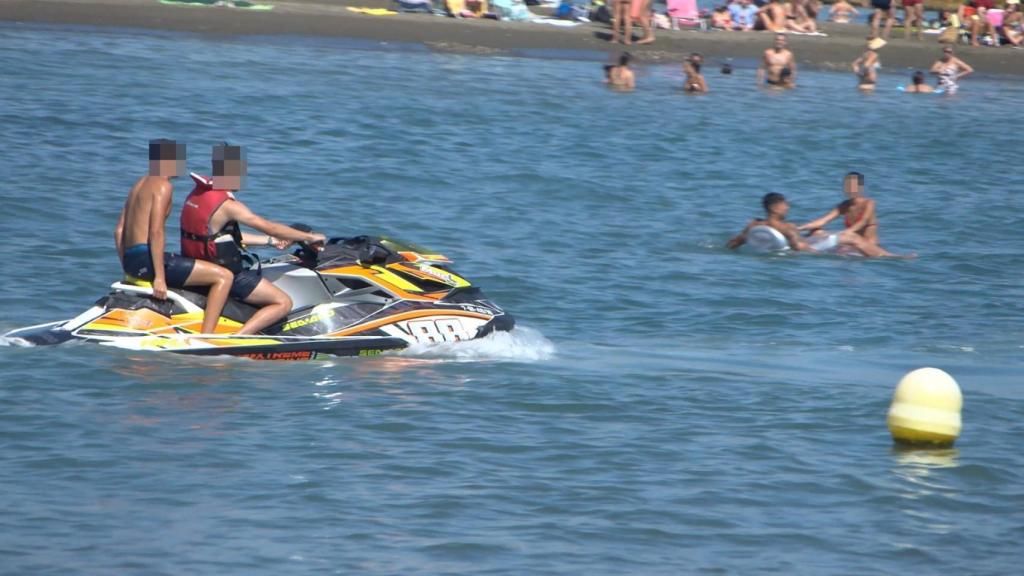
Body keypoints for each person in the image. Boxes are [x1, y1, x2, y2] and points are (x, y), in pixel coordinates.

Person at [180, 144, 327, 335]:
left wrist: (270, 241)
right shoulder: (229, 206)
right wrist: (309, 237)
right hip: (227, 274)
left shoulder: (198, 194)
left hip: (199, 267)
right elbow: (268, 226)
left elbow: (218, 238)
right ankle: (239, 338)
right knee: (283, 302)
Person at [114, 140, 234, 335]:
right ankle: (207, 336)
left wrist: (129, 270)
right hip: (147, 259)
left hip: (131, 260)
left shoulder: (139, 183)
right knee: (224, 276)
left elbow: (119, 231)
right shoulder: (163, 186)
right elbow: (156, 232)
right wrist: (159, 278)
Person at [727, 192, 897, 256]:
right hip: (806, 248)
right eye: (785, 204)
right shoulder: (786, 227)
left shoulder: (754, 224)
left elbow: (735, 242)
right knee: (852, 237)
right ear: (775, 208)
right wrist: (819, 254)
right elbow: (799, 246)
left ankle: (821, 235)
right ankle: (890, 257)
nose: (788, 207)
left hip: (779, 246)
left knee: (817, 231)